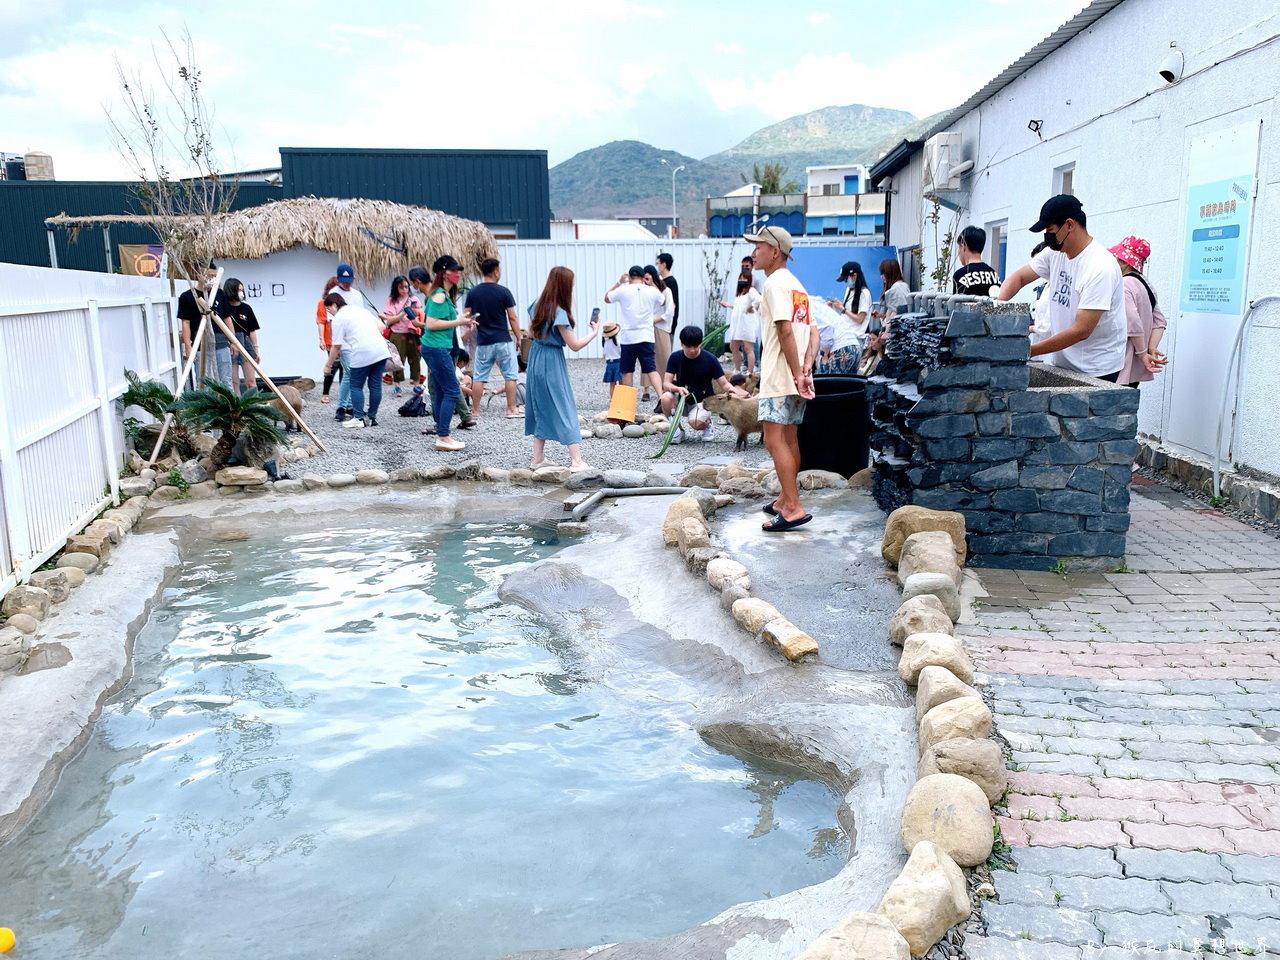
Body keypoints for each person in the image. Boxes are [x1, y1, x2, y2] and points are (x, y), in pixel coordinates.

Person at [997, 195, 1127, 381]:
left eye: (1050, 231)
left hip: (1095, 367)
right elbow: (1019, 277)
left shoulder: (1100, 266)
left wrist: (1026, 351)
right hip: (1061, 359)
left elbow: (1082, 329)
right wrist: (995, 308)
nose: (1047, 238)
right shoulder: (1055, 253)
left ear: (1070, 225)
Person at [745, 225, 818, 532]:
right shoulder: (796, 285)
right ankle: (784, 498)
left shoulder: (774, 284)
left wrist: (794, 373)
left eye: (758, 247)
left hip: (779, 376)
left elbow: (785, 329)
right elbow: (813, 332)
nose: (753, 253)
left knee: (774, 442)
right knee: (789, 440)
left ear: (775, 252)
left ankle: (792, 507)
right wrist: (805, 369)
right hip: (796, 373)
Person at [526, 266, 599, 470]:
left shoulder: (537, 305)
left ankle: (537, 459)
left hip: (536, 356)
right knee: (563, 406)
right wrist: (594, 333)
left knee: (540, 405)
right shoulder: (559, 311)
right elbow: (574, 345)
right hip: (551, 360)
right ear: (565, 285)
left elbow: (530, 333)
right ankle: (577, 461)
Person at [414, 257, 477, 451]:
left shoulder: (444, 295)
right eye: (453, 270)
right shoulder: (439, 295)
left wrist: (462, 320)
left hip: (438, 348)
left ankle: (443, 434)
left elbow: (439, 322)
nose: (457, 273)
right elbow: (431, 324)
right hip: (436, 348)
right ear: (443, 273)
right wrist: (458, 322)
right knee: (451, 390)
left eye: (458, 270)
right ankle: (443, 436)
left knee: (443, 391)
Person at [661, 325, 747, 443]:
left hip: (703, 401)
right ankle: (677, 430)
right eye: (688, 346)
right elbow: (666, 384)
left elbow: (724, 383)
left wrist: (734, 391)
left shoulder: (710, 359)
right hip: (682, 399)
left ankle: (707, 424)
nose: (692, 350)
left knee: (695, 423)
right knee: (665, 398)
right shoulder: (675, 357)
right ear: (682, 344)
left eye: (695, 346)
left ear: (700, 343)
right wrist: (678, 389)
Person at [463, 258, 523, 419]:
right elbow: (513, 317)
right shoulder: (504, 291)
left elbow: (467, 315)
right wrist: (518, 337)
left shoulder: (473, 293)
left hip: (483, 342)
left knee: (480, 376)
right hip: (503, 340)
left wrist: (469, 330)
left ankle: (475, 411)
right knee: (510, 375)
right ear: (496, 271)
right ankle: (511, 409)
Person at [322, 293, 388, 426]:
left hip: (361, 351)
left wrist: (328, 365)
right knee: (375, 385)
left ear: (335, 304)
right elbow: (382, 327)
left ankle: (358, 418)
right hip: (381, 350)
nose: (329, 312)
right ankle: (372, 417)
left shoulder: (339, 318)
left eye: (329, 309)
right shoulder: (361, 310)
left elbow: (336, 346)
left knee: (356, 385)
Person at [1110, 236, 1168, 387]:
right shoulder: (1146, 284)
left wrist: (1142, 354)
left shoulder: (1123, 284)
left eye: (1116, 258)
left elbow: (1133, 323)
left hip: (1118, 365)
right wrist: (1151, 348)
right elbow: (1160, 321)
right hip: (1136, 369)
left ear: (1124, 262)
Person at [604, 265, 666, 404]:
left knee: (627, 371)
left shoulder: (623, 289)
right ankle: (661, 397)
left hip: (628, 338)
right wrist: (652, 284)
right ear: (644, 277)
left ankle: (628, 404)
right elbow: (662, 300)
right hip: (647, 336)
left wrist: (619, 282)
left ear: (630, 277)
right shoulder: (651, 290)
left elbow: (607, 298)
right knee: (651, 368)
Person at [217, 278, 261, 395]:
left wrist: (256, 349)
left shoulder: (246, 308)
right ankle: (237, 405)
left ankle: (254, 403)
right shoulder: (224, 308)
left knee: (251, 380)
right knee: (234, 380)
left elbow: (252, 330)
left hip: (245, 342)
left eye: (242, 290)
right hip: (230, 342)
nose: (241, 293)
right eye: (238, 290)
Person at [380, 275, 422, 397]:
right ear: (396, 288)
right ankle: (397, 385)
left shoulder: (414, 299)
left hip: (412, 332)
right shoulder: (391, 300)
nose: (404, 290)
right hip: (397, 333)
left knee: (415, 358)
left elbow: (419, 313)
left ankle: (416, 384)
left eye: (406, 287)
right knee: (397, 359)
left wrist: (414, 311)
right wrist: (403, 312)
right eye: (401, 287)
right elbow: (389, 320)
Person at [176, 262, 224, 364]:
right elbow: (185, 323)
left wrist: (232, 342)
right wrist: (188, 347)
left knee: (225, 378)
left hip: (221, 343)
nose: (213, 279)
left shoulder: (220, 293)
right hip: (199, 343)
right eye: (211, 276)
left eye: (215, 276)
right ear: (199, 276)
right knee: (203, 378)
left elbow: (227, 318)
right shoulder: (187, 296)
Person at [719, 272, 761, 374]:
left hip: (747, 324)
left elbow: (758, 300)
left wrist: (752, 307)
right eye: (740, 278)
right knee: (733, 346)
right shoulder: (740, 293)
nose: (742, 281)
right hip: (737, 324)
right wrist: (728, 305)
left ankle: (750, 371)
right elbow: (738, 308)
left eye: (744, 279)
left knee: (748, 348)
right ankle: (737, 369)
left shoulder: (751, 291)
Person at [643, 264, 675, 387]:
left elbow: (669, 312)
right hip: (648, 328)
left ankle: (666, 384)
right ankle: (646, 388)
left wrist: (655, 320)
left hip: (661, 327)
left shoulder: (666, 291)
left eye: (648, 278)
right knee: (647, 359)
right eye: (644, 279)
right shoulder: (645, 292)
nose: (646, 282)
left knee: (665, 357)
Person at [315, 276, 344, 404]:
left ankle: (344, 393)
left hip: (345, 339)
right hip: (330, 339)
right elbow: (321, 321)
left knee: (345, 367)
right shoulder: (323, 303)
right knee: (332, 366)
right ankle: (326, 392)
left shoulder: (343, 302)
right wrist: (321, 339)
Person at [952, 226, 1001, 296]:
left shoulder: (960, 275)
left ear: (964, 246)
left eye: (959, 247)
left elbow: (956, 305)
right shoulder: (994, 275)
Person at [656, 252, 679, 336]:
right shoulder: (664, 281)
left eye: (658, 263)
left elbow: (673, 305)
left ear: (664, 265)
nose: (657, 266)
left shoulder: (670, 282)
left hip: (667, 326)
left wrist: (672, 327)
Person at [601, 320, 622, 402]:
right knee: (621, 383)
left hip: (609, 364)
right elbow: (621, 352)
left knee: (612, 384)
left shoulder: (605, 343)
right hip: (618, 363)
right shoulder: (617, 341)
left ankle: (613, 401)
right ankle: (621, 400)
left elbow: (603, 355)